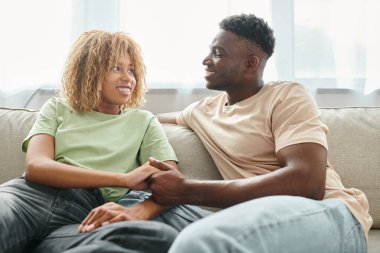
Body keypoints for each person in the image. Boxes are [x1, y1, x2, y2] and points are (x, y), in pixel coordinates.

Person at [148, 13, 373, 253]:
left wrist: (187, 190)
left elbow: (307, 184)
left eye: (218, 53)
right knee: (133, 211)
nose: (206, 60)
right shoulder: (203, 111)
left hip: (328, 214)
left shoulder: (287, 96)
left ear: (250, 64)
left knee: (200, 241)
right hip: (253, 218)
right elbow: (148, 119)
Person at [0, 30, 208, 253]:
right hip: (34, 196)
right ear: (89, 71)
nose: (128, 77)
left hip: (87, 213)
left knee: (154, 237)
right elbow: (36, 167)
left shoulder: (144, 121)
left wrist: (139, 210)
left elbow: (172, 181)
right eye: (116, 68)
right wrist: (123, 179)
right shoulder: (56, 108)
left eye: (132, 70)